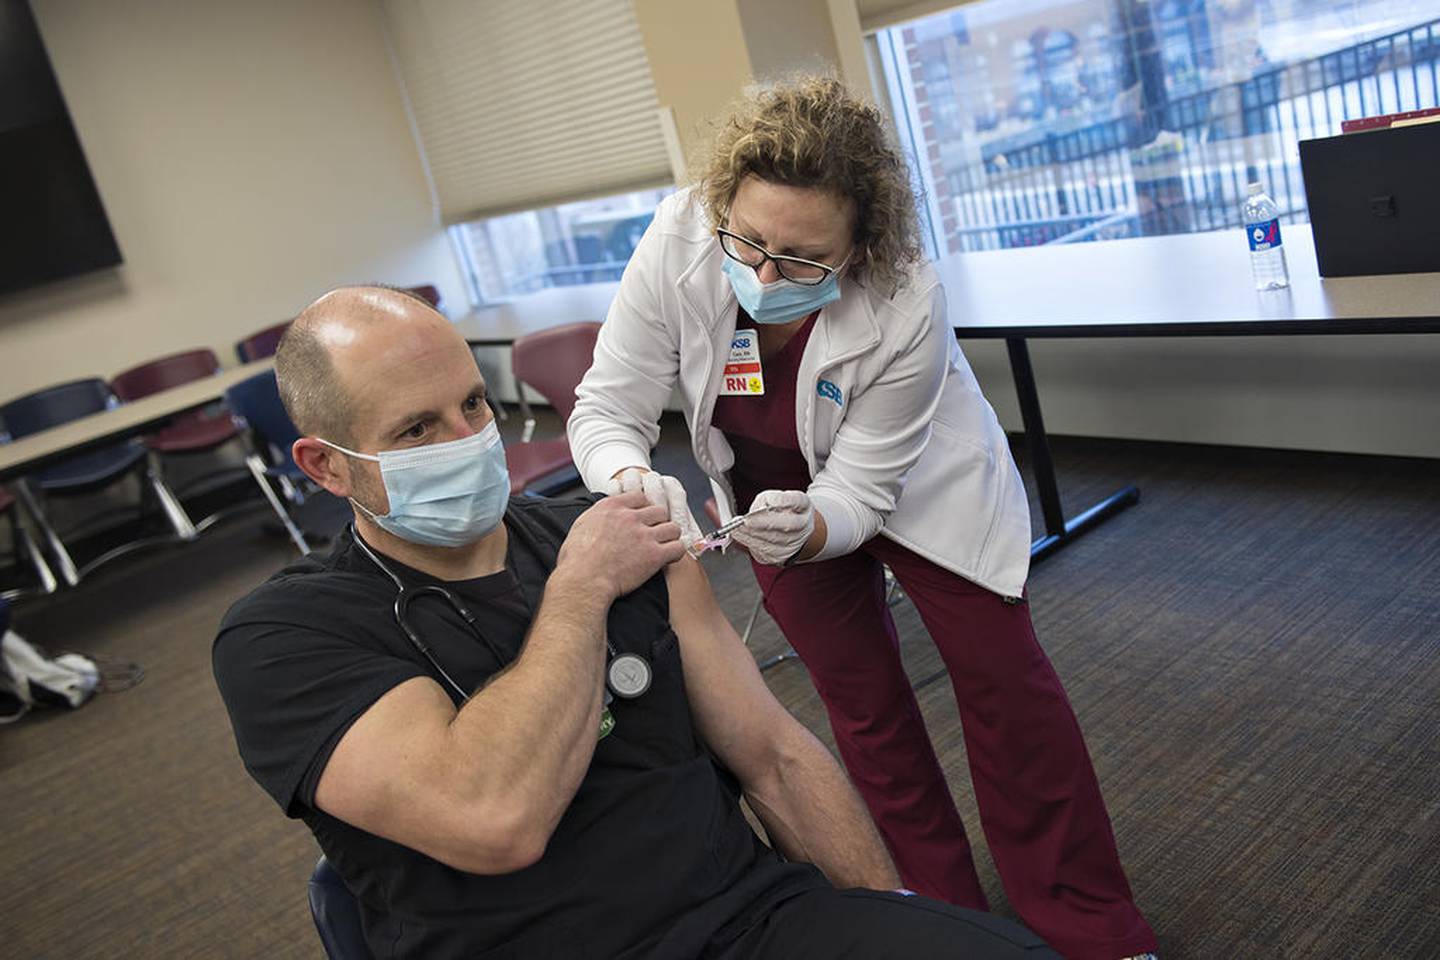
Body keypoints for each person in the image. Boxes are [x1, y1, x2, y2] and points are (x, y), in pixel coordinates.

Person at [212, 286, 1059, 959]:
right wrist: (582, 588)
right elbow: (495, 818)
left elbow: (773, 758)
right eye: (417, 429)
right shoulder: (285, 637)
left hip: (750, 922)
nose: (470, 440)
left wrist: (887, 916)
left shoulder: (620, 536)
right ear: (326, 466)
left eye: (474, 404)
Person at [568, 78, 1159, 960]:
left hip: (919, 485)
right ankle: (939, 915)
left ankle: (1089, 924)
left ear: (860, 247)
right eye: (749, 240)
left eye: (803, 259)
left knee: (1007, 694)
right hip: (766, 489)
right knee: (864, 708)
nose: (764, 274)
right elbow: (604, 407)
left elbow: (861, 495)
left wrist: (818, 527)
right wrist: (629, 477)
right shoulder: (680, 240)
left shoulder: (903, 296)